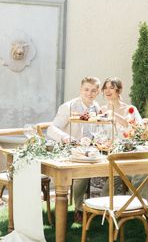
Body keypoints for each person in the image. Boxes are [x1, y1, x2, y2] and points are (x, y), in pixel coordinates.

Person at [47, 76, 100, 223]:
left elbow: (96, 129)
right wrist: (66, 138)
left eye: (93, 91)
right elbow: (51, 129)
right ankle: (79, 209)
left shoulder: (96, 107)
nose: (90, 93)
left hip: (90, 151)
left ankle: (102, 209)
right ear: (81, 89)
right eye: (87, 90)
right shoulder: (68, 107)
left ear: (98, 92)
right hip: (69, 150)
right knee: (83, 173)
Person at [100, 77, 142, 196]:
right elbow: (100, 133)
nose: (108, 91)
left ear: (119, 91)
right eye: (105, 88)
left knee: (137, 179)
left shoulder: (130, 109)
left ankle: (137, 206)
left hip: (129, 154)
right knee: (106, 192)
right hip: (110, 154)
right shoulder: (102, 110)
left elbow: (138, 131)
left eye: (111, 88)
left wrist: (113, 114)